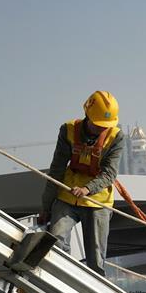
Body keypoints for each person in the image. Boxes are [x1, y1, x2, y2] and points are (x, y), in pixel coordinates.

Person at [40, 91, 125, 276]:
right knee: (56, 240)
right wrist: (46, 206)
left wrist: (88, 189)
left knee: (96, 259)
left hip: (98, 201)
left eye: (106, 126)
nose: (103, 129)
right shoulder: (68, 130)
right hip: (67, 196)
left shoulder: (116, 136)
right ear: (88, 117)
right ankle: (63, 285)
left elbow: (109, 173)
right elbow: (56, 169)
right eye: (99, 125)